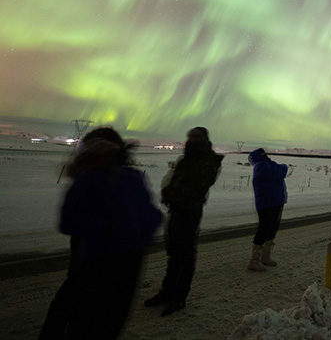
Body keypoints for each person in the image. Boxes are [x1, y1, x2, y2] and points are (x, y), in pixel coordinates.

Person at [39, 126, 162, 339]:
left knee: (90, 316)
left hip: (113, 263)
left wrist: (129, 235)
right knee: (88, 314)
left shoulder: (123, 179)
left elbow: (152, 217)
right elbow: (69, 221)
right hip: (106, 261)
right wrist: (117, 232)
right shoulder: (113, 179)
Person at [144, 127, 222, 316]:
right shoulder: (187, 159)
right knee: (174, 253)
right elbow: (175, 180)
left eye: (195, 138)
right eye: (190, 138)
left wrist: (172, 192)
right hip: (177, 210)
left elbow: (196, 187)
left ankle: (179, 298)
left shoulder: (207, 161)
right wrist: (170, 193)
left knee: (185, 256)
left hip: (190, 212)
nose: (190, 141)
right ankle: (167, 291)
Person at [247, 148, 289, 271]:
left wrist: (279, 167)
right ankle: (254, 261)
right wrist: (281, 167)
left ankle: (265, 257)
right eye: (263, 154)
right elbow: (282, 170)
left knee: (272, 230)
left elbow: (281, 169)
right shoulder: (261, 167)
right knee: (264, 230)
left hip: (276, 201)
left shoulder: (268, 165)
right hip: (267, 203)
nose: (266, 155)